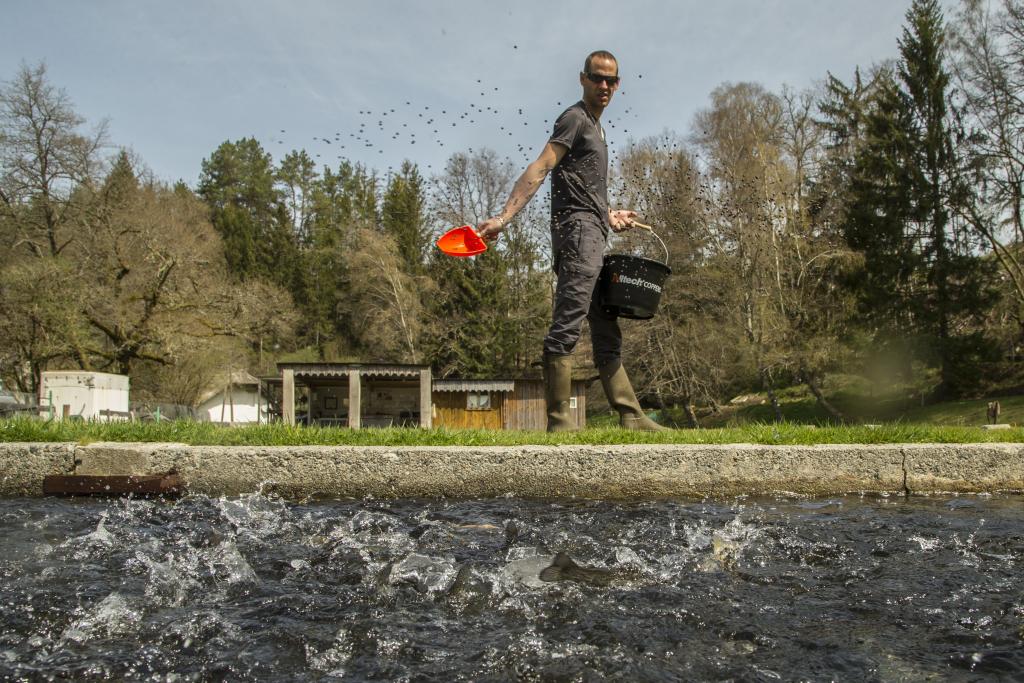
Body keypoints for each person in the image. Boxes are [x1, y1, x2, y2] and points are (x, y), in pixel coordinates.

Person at [478, 50, 668, 432]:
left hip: (592, 231)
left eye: (610, 80)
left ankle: (631, 416)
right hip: (578, 234)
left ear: (618, 85)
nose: (604, 86)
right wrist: (503, 218)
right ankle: (560, 423)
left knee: (605, 323)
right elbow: (542, 165)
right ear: (582, 78)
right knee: (568, 323)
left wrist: (610, 215)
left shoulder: (596, 128)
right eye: (596, 78)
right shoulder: (575, 118)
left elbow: (582, 188)